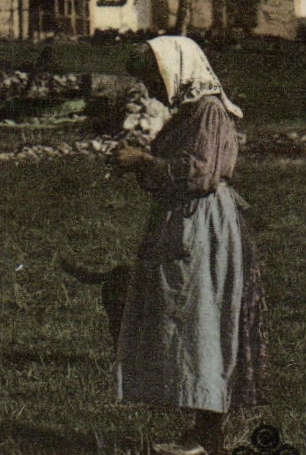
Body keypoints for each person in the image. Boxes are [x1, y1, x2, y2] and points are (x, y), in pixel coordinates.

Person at [112, 36, 267, 455]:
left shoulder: (208, 111)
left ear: (176, 70)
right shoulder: (188, 113)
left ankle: (209, 434)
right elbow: (175, 170)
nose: (153, 88)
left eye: (155, 78)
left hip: (202, 225)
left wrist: (142, 162)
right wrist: (140, 161)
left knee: (203, 318)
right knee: (188, 319)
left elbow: (198, 175)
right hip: (184, 221)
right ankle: (202, 431)